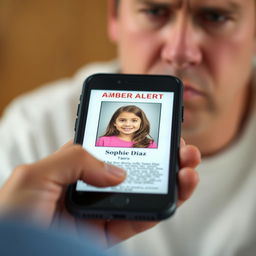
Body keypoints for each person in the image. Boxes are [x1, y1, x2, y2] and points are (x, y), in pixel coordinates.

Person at [0, 0, 256, 255]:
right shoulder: (31, 132)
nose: (179, 52)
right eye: (154, 11)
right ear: (115, 17)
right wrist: (21, 241)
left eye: (216, 17)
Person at [0, 141, 200, 251]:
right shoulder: (27, 127)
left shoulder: (148, 142)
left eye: (134, 120)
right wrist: (24, 235)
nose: (181, 61)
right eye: (123, 119)